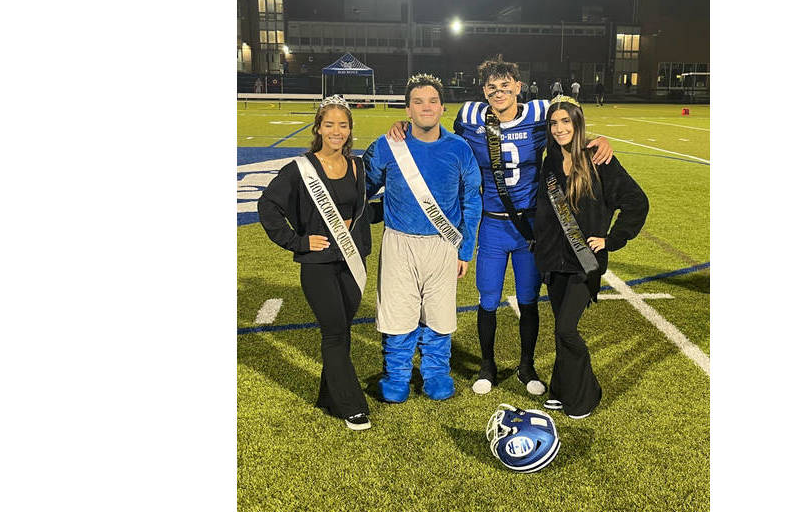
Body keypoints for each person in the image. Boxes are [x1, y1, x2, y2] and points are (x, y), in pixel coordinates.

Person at [388, 55, 613, 397]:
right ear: (483, 91)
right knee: (488, 299)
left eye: (505, 85)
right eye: (492, 87)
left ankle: (527, 366)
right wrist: (406, 126)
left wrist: (599, 138)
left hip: (530, 227)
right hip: (491, 226)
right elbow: (440, 136)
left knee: (528, 299)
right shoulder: (471, 116)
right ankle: (487, 366)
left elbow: (569, 126)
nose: (499, 91)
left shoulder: (538, 112)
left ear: (518, 86)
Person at [257, 95, 376, 431]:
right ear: (318, 128)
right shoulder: (300, 169)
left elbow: (362, 211)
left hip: (352, 262)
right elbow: (268, 206)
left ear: (350, 129)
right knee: (334, 332)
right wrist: (298, 241)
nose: (337, 131)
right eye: (330, 125)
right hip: (318, 265)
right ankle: (352, 406)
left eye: (343, 125)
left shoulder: (357, 166)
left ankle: (329, 396)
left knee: (343, 332)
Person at [363, 74, 482, 403]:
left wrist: (465, 251)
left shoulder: (460, 148)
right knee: (399, 313)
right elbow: (361, 187)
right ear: (408, 110)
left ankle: (436, 373)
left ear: (443, 108)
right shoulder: (388, 145)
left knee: (439, 315)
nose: (426, 107)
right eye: (418, 102)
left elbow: (472, 201)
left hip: (443, 244)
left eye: (432, 101)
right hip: (399, 242)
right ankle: (397, 375)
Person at [534, 96, 648, 419]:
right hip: (554, 262)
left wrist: (612, 240)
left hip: (584, 263)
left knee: (566, 329)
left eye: (566, 122)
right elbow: (545, 212)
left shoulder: (599, 159)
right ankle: (560, 389)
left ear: (577, 123)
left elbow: (637, 202)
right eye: (553, 123)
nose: (559, 129)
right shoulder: (550, 162)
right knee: (560, 329)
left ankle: (586, 395)